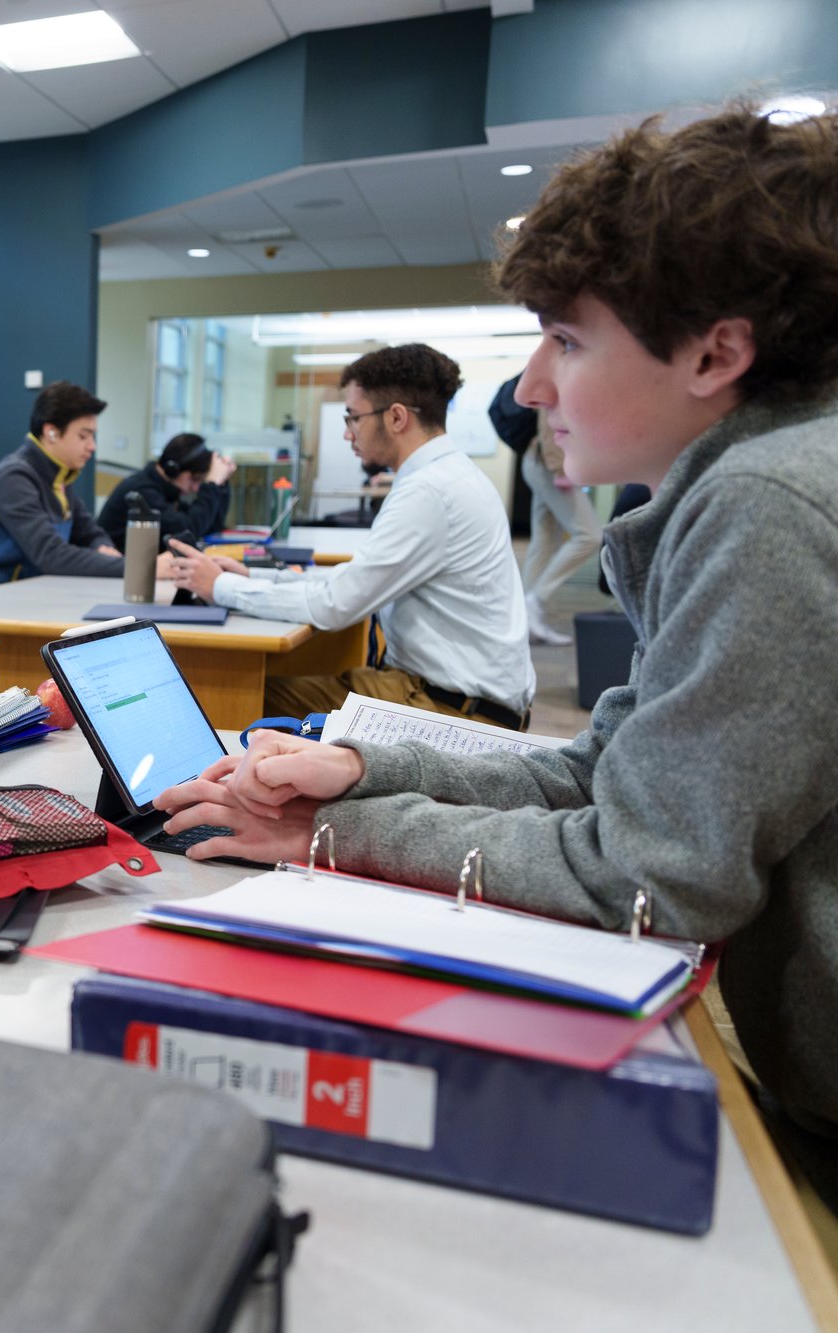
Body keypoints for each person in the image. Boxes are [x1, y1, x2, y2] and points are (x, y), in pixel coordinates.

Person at [157, 105, 838, 1204]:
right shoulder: (760, 476)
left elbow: (644, 877)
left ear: (715, 350)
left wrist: (330, 832)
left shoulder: (765, 505)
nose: (528, 387)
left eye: (566, 339)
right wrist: (363, 773)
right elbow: (598, 776)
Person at [163, 344, 534, 729]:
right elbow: (356, 579)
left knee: (230, 694)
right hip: (451, 694)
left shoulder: (429, 492)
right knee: (243, 688)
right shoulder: (450, 475)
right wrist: (253, 576)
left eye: (353, 417)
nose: (346, 433)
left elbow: (334, 605)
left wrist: (219, 586)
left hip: (446, 708)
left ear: (396, 418)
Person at [0, 382, 155, 590]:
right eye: (83, 436)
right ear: (51, 432)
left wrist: (102, 548)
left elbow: (91, 533)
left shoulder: (59, 478)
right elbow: (51, 555)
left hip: (29, 596)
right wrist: (139, 568)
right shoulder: (14, 478)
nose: (92, 446)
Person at [492, 372, 605, 646]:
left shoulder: (566, 371)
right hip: (549, 463)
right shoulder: (564, 372)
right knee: (590, 535)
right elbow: (549, 423)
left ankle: (524, 619)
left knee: (544, 540)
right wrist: (559, 467)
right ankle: (535, 601)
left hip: (539, 461)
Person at [96, 431, 237, 552]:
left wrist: (221, 484)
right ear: (173, 470)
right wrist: (211, 485)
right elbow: (188, 531)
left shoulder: (166, 491)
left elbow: (210, 527)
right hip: (116, 576)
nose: (195, 488)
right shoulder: (143, 490)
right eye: (194, 479)